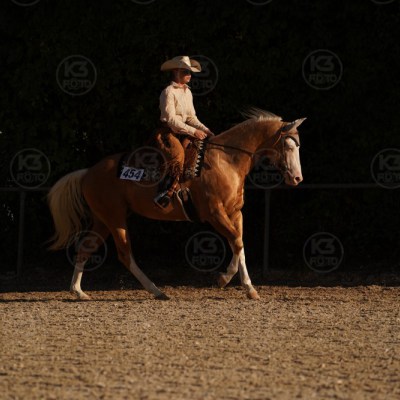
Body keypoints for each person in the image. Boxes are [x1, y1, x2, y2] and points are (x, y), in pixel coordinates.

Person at [154, 55, 214, 208]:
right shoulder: (168, 92)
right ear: (176, 72)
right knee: (178, 156)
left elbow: (191, 117)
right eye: (186, 71)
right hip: (169, 132)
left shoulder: (188, 92)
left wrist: (205, 129)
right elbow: (171, 120)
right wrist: (194, 131)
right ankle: (164, 192)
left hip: (185, 131)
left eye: (190, 71)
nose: (189, 74)